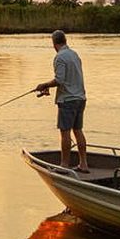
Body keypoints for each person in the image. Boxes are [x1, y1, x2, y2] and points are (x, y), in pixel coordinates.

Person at [35, 30, 88, 172]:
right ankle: (83, 164)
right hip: (80, 98)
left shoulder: (60, 57)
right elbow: (68, 79)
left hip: (68, 100)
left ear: (54, 43)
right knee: (78, 131)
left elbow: (59, 80)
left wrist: (44, 85)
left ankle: (64, 165)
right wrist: (49, 88)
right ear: (65, 41)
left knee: (65, 132)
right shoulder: (74, 54)